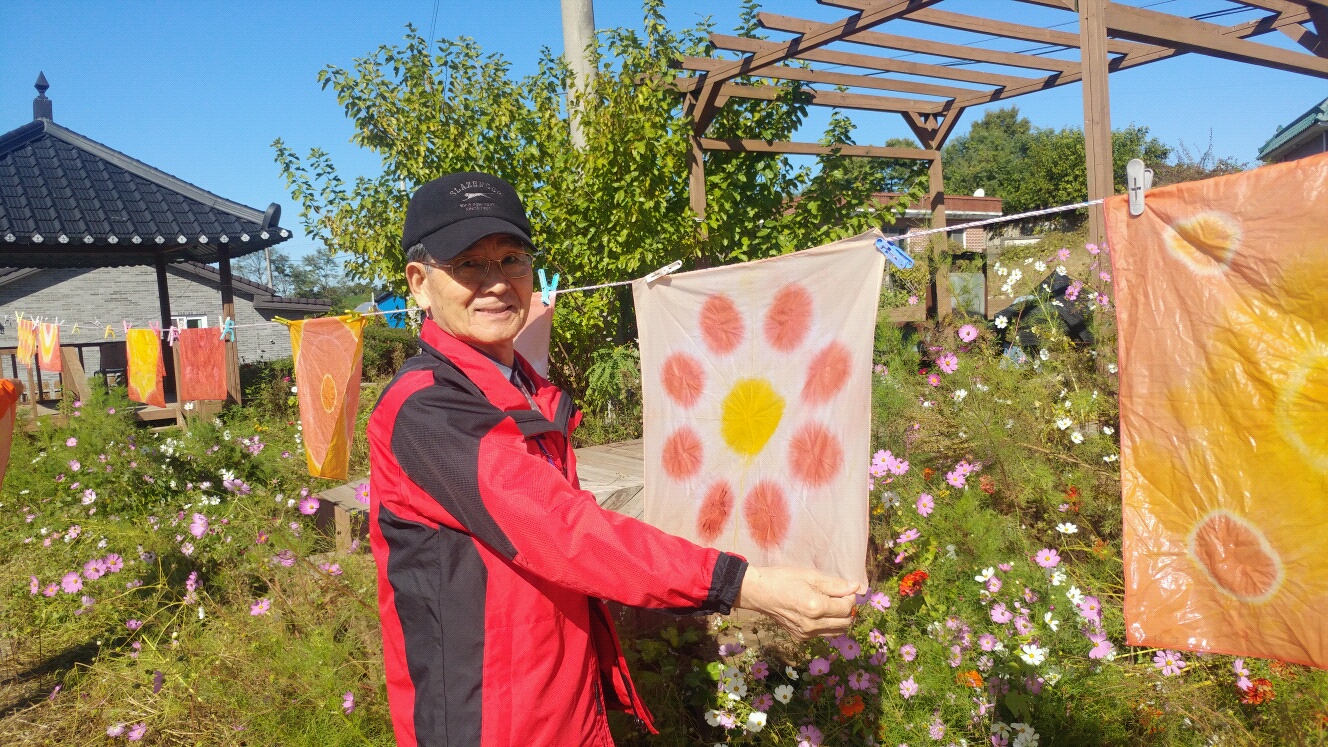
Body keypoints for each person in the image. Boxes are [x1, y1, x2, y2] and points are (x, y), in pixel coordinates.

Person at [367, 172, 863, 747]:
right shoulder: (428, 411)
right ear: (420, 284)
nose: (496, 282)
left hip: (561, 700)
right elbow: (564, 532)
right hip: (487, 720)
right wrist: (742, 583)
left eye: (511, 259)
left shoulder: (524, 390)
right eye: (469, 264)